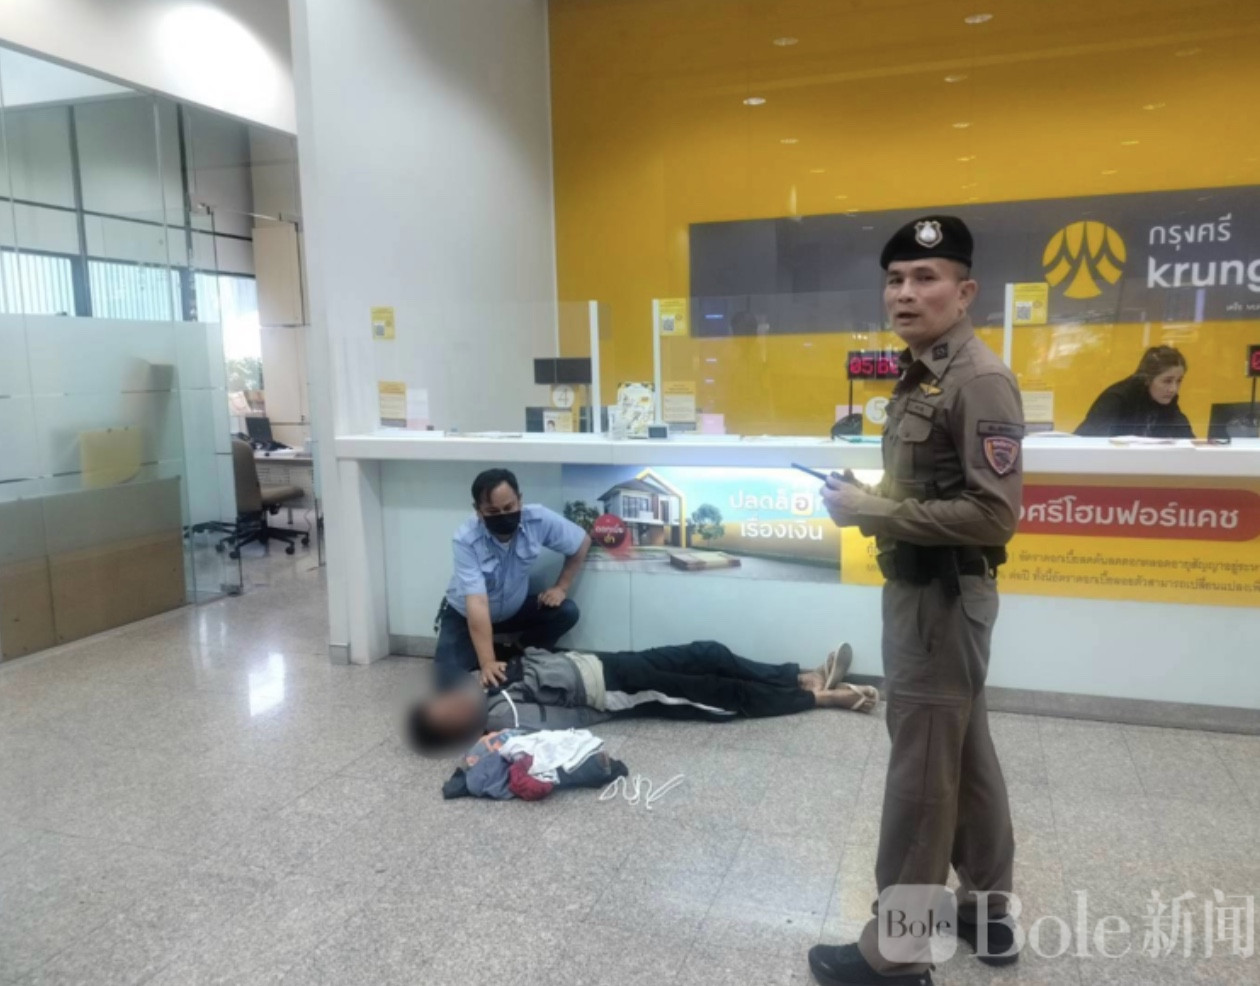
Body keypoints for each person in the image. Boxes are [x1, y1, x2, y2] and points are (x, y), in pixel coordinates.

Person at [809, 217, 1023, 986]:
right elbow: (936, 490)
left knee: (921, 778)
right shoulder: (923, 372)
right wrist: (872, 499)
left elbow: (994, 513)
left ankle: (895, 954)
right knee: (963, 757)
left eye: (926, 278)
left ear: (965, 292)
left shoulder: (976, 378)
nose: (905, 292)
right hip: (929, 594)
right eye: (896, 279)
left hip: (940, 600)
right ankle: (985, 908)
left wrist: (873, 511)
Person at [408, 640, 876, 751]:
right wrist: (609, 705)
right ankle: (821, 698)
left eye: (442, 702)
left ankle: (802, 677)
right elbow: (562, 722)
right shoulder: (499, 718)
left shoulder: (480, 682)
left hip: (605, 660)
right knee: (719, 695)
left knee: (708, 653)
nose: (453, 704)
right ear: (455, 730)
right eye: (448, 715)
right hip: (613, 690)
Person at [434, 468, 592, 690]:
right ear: (478, 511)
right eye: (492, 511)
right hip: (467, 614)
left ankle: (516, 650)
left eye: (509, 507)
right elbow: (477, 602)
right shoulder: (465, 539)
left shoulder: (538, 519)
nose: (503, 515)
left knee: (567, 611)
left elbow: (581, 542)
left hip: (513, 609)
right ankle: (488, 655)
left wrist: (561, 587)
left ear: (520, 500)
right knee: (446, 682)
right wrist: (487, 663)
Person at [1075, 346, 1193, 438]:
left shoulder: (1169, 403)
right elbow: (1087, 442)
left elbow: (1187, 442)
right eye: (1167, 381)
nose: (1173, 389)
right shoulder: (1116, 399)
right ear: (1148, 379)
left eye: (1179, 381)